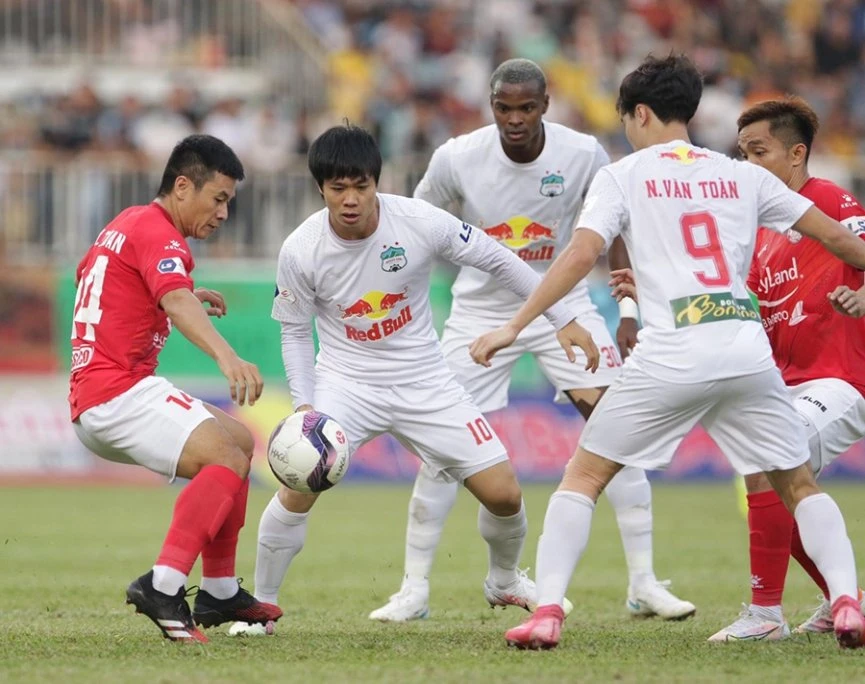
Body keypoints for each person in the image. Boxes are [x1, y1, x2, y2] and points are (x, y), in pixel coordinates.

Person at [469, 54, 865, 651]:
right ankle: (847, 603)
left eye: (627, 117)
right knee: (799, 485)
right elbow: (839, 239)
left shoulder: (625, 174)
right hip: (745, 353)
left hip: (674, 352)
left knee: (583, 476)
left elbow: (579, 255)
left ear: (641, 114)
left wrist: (514, 325)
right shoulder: (743, 174)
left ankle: (547, 611)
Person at [230, 123, 598, 635]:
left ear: (377, 181)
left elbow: (499, 259)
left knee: (505, 495)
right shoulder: (300, 249)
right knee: (299, 487)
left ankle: (504, 578)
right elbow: (295, 334)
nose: (351, 199)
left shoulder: (420, 221)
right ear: (321, 189)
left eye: (361, 185)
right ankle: (260, 609)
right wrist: (304, 408)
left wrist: (562, 319)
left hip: (426, 381)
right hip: (345, 385)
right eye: (339, 188)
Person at [368, 58, 694, 624]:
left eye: (525, 108)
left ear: (546, 105)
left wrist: (625, 308)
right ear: (489, 106)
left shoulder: (583, 153)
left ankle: (643, 582)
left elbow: (610, 227)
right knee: (446, 448)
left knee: (615, 429)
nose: (514, 119)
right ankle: (413, 589)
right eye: (503, 108)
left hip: (562, 307)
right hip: (478, 313)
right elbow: (418, 225)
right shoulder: (457, 157)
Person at [69, 134, 283, 643]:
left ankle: (219, 591)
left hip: (100, 392)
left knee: (241, 442)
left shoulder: (126, 223)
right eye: (220, 198)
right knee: (226, 460)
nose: (224, 213)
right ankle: (162, 585)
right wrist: (226, 355)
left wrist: (175, 290)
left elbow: (100, 280)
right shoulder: (161, 233)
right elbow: (175, 303)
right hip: (118, 392)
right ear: (183, 186)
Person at [705, 96, 865, 641]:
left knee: (772, 457)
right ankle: (842, 599)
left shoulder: (830, 202)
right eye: (742, 153)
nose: (748, 165)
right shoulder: (761, 225)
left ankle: (764, 614)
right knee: (778, 482)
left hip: (840, 379)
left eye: (759, 151)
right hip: (782, 383)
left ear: (797, 155)